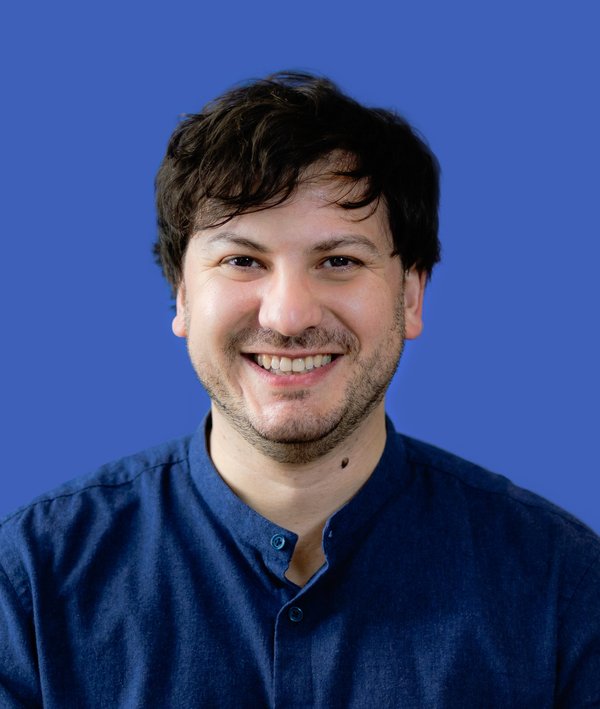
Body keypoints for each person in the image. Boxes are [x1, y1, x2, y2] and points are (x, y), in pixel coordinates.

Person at [1, 71, 598, 707]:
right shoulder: (32, 585)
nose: (288, 317)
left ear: (411, 295)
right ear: (181, 294)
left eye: (339, 260)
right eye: (242, 261)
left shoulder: (561, 584)